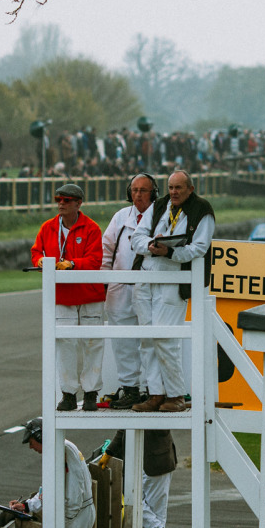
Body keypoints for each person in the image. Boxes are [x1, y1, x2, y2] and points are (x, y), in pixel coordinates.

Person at [130, 170, 215, 413]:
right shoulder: (159, 206)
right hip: (146, 274)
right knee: (147, 339)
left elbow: (199, 248)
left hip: (174, 278)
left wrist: (170, 252)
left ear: (190, 189)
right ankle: (156, 394)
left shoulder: (202, 210)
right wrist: (151, 245)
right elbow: (136, 237)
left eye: (179, 187)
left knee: (165, 338)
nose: (174, 192)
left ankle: (176, 395)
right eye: (171, 187)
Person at [31, 183, 106, 412]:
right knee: (65, 344)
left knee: (92, 343)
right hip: (62, 295)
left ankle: (91, 392)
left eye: (66, 200)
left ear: (78, 203)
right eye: (58, 200)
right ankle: (68, 393)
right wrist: (39, 261)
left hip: (90, 294)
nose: (61, 204)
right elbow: (36, 251)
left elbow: (95, 260)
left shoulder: (91, 228)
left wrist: (72, 264)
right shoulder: (48, 227)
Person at [9, 417, 96, 528]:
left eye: (31, 442)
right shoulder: (62, 447)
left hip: (75, 515)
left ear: (40, 436)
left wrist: (66, 519)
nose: (31, 447)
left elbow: (63, 490)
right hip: (82, 512)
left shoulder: (60, 451)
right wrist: (27, 506)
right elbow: (50, 488)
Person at [99, 173, 156, 409]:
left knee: (152, 340)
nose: (138, 195)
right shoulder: (121, 217)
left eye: (143, 190)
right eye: (134, 190)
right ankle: (130, 389)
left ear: (153, 193)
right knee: (123, 342)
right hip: (120, 288)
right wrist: (104, 281)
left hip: (150, 288)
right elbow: (106, 249)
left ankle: (153, 391)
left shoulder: (161, 216)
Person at [107, 428, 178, 528]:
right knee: (133, 499)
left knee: (155, 508)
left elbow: (163, 429)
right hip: (143, 462)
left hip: (158, 460)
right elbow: (124, 428)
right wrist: (109, 452)